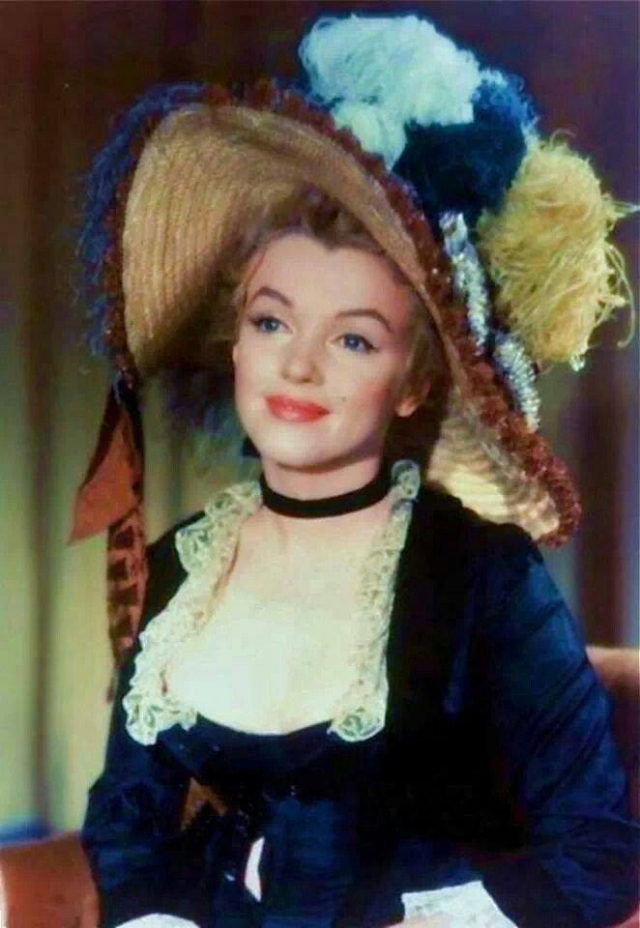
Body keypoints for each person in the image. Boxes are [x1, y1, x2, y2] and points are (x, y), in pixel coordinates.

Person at [72, 13, 639, 928]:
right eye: (271, 322)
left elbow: (597, 854)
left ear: (413, 383)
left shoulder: (480, 576)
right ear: (235, 343)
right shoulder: (184, 568)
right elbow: (127, 836)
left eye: (353, 339)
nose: (298, 366)